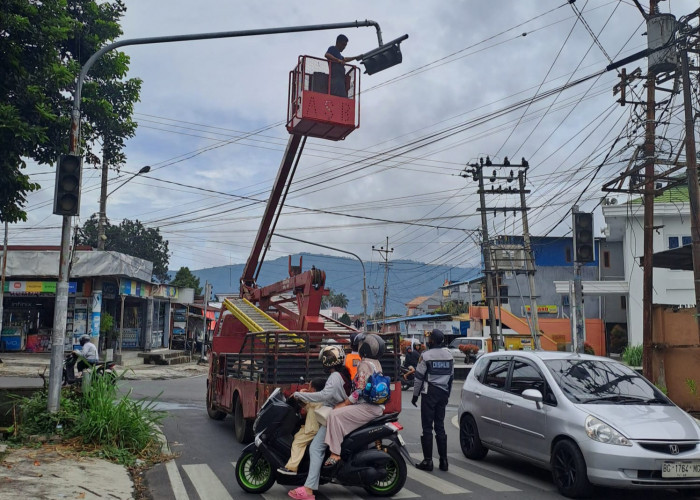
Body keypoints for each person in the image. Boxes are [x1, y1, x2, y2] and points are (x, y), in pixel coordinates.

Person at [287, 345, 352, 500]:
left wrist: (300, 395)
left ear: (327, 361)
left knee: (316, 448)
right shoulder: (341, 374)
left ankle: (308, 490)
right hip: (336, 413)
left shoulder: (335, 376)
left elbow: (324, 395)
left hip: (334, 415)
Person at [322, 333, 386, 469]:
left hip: (366, 406)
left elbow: (359, 391)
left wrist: (344, 404)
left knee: (334, 414)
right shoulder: (376, 363)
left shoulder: (364, 364)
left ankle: (335, 454)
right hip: (376, 406)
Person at [412, 329, 454, 472]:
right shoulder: (449, 356)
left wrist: (415, 395)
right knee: (440, 426)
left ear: (433, 341)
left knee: (427, 427)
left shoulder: (426, 356)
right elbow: (451, 378)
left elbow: (418, 378)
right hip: (443, 393)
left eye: (429, 339)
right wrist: (447, 394)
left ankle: (428, 461)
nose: (428, 341)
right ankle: (444, 461)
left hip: (430, 393)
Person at [278, 377, 327, 476]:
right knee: (296, 436)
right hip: (310, 427)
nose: (308, 388)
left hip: (312, 429)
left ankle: (291, 468)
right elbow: (308, 406)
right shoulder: (319, 398)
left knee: (297, 443)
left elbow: (307, 400)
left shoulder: (318, 398)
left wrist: (301, 393)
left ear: (314, 389)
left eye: (310, 386)